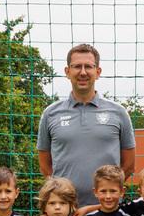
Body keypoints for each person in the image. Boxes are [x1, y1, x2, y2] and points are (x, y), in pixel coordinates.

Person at [37, 43, 136, 206]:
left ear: (98, 72)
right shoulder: (50, 113)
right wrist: (60, 194)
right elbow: (44, 165)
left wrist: (106, 195)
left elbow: (129, 165)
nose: (83, 72)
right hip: (65, 210)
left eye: (88, 67)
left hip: (106, 210)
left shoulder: (118, 113)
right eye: (77, 66)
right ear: (67, 72)